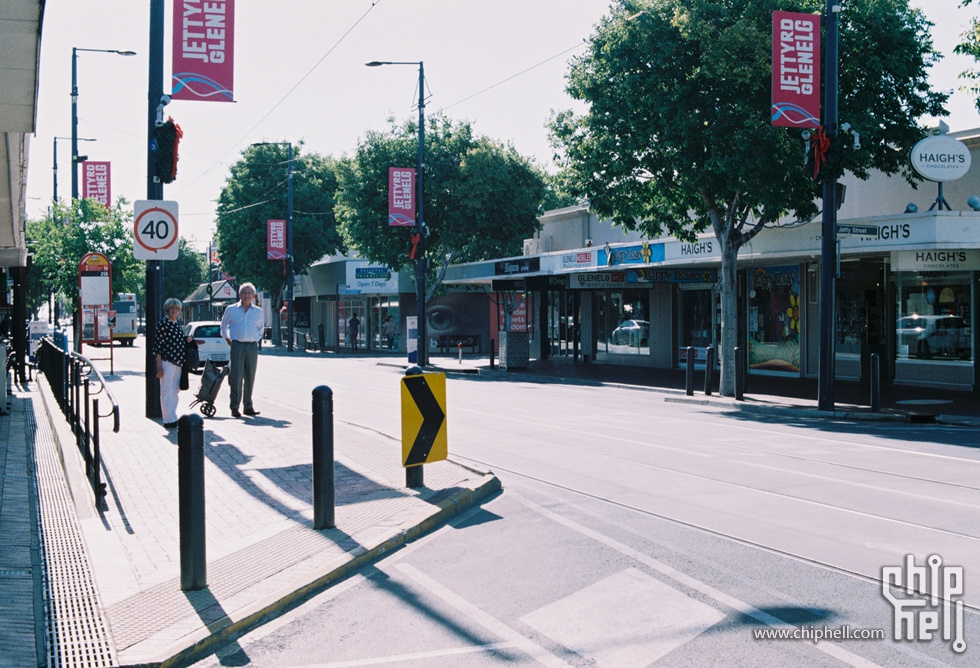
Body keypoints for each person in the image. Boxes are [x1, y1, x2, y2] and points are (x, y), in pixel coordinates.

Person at [221, 283, 265, 418]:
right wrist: (229, 340)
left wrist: (254, 339)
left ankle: (248, 406)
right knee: (236, 376)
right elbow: (223, 326)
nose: (246, 295)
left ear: (253, 296)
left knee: (250, 376)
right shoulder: (231, 309)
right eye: (244, 293)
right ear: (239, 295)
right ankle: (234, 406)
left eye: (249, 293)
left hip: (252, 346)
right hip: (237, 345)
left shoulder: (258, 311)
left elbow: (260, 329)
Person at [152, 298, 192, 429]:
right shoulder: (164, 324)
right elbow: (158, 345)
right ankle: (168, 419)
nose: (174, 311)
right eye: (172, 308)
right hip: (167, 361)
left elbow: (177, 341)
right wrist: (159, 366)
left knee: (175, 391)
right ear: (167, 309)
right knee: (166, 391)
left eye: (176, 308)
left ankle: (173, 416)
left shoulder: (177, 324)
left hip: (178, 362)